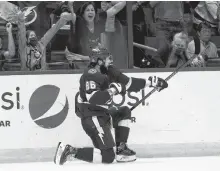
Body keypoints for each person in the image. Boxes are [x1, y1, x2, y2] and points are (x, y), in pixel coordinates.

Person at [54, 48, 168, 164]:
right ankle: (70, 151)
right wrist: (113, 90)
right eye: (108, 59)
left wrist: (151, 83)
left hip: (103, 113)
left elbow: (129, 83)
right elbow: (94, 99)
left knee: (124, 111)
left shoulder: (110, 70)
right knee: (108, 157)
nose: (110, 61)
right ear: (99, 61)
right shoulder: (90, 74)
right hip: (92, 117)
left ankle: (121, 149)